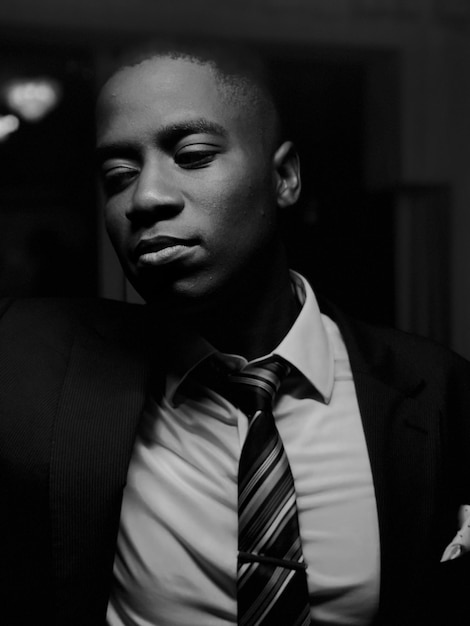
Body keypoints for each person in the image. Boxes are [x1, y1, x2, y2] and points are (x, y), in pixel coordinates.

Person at [1, 39, 470, 626]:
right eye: (117, 175)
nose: (145, 198)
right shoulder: (30, 359)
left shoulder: (437, 391)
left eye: (193, 155)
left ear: (285, 177)